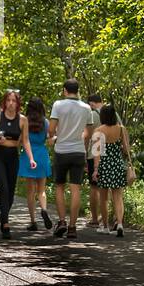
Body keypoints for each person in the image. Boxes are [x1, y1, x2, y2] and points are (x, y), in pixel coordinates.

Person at [0, 89, 33, 239]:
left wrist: (31, 158)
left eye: (14, 101)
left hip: (13, 156)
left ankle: (3, 213)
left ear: (18, 103)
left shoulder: (23, 120)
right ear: (4, 102)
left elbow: (25, 140)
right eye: (8, 100)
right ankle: (5, 223)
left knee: (11, 192)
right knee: (4, 188)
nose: (11, 104)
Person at [49, 79, 93, 240]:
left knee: (59, 186)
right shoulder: (86, 108)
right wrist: (80, 142)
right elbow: (87, 133)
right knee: (76, 189)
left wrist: (55, 136)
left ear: (64, 90)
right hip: (78, 151)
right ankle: (73, 227)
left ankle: (62, 222)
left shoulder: (58, 105)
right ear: (78, 90)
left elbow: (51, 129)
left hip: (61, 150)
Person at [91, 104, 131, 237]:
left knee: (103, 198)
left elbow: (97, 153)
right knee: (118, 196)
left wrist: (95, 169)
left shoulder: (99, 130)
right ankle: (119, 224)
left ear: (102, 116)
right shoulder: (121, 129)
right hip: (118, 164)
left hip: (105, 164)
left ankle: (106, 227)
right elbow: (126, 150)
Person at [17, 97, 54, 232]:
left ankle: (33, 221)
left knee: (30, 191)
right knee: (41, 190)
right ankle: (44, 209)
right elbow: (50, 138)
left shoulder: (24, 121)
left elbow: (21, 140)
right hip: (42, 155)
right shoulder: (45, 122)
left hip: (28, 156)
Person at [85, 93, 107, 229]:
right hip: (110, 154)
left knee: (94, 187)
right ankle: (112, 217)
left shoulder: (92, 115)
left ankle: (94, 219)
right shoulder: (114, 114)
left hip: (94, 153)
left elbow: (87, 136)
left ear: (92, 104)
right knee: (109, 187)